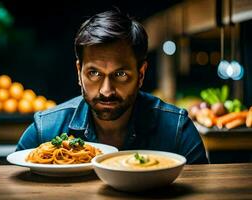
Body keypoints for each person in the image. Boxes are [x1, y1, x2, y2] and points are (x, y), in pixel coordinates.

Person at [16, 9, 209, 164]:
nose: (106, 90)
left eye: (120, 74)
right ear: (78, 72)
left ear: (141, 74)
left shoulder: (177, 130)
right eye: (94, 73)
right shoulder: (45, 130)